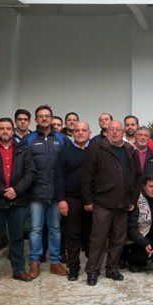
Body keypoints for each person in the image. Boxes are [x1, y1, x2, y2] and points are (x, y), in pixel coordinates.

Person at [80, 121, 141, 286]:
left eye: (117, 130)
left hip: (122, 204)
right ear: (106, 132)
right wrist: (87, 200)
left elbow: (137, 178)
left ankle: (112, 269)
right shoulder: (97, 148)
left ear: (123, 132)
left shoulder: (130, 151)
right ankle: (92, 271)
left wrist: (132, 200)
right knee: (98, 240)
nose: (114, 132)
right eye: (110, 130)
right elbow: (86, 176)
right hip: (102, 202)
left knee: (118, 239)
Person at [0, 117, 35, 283]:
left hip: (18, 200)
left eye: (8, 128)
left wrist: (16, 190)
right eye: (1, 128)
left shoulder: (24, 150)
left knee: (17, 236)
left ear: (13, 131)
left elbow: (30, 174)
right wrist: (3, 191)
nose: (5, 131)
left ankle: (18, 270)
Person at [26, 105, 67, 279]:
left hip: (55, 193)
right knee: (35, 229)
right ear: (36, 120)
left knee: (55, 229)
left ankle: (55, 263)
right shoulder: (29, 139)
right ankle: (34, 262)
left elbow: (66, 165)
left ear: (51, 119)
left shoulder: (60, 138)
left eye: (47, 116)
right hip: (35, 193)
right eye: (40, 116)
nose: (44, 119)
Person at [54, 120, 92, 281]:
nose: (80, 133)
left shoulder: (96, 151)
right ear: (72, 133)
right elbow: (59, 178)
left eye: (84, 130)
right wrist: (61, 200)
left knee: (92, 235)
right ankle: (74, 267)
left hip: (92, 200)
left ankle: (92, 267)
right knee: (73, 235)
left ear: (89, 133)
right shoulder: (64, 152)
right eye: (77, 130)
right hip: (72, 199)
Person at [124, 175, 153, 272]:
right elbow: (131, 229)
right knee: (142, 258)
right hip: (138, 238)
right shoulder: (136, 200)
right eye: (150, 186)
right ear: (144, 187)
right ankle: (129, 258)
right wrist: (144, 243)